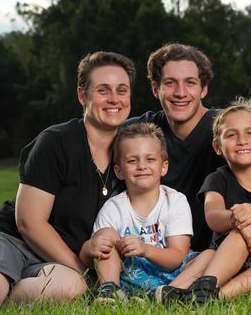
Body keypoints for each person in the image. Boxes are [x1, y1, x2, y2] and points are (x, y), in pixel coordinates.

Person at [0, 52, 135, 304]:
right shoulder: (56, 141)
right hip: (10, 238)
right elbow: (29, 222)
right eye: (103, 90)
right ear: (82, 96)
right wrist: (83, 271)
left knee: (70, 290)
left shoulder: (131, 152)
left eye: (122, 90)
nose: (114, 99)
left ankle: (1, 290)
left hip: (54, 258)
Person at [155, 99, 251, 303]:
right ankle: (188, 290)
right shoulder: (217, 179)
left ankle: (213, 296)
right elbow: (213, 217)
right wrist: (243, 220)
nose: (241, 140)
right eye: (231, 134)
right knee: (231, 240)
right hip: (223, 264)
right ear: (218, 146)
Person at [80, 123, 200, 300]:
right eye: (132, 160)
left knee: (209, 256)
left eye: (150, 159)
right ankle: (111, 291)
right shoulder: (114, 207)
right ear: (119, 171)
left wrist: (145, 249)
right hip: (129, 278)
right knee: (104, 235)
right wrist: (89, 247)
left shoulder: (175, 201)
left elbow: (177, 257)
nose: (141, 166)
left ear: (164, 167)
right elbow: (90, 258)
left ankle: (168, 293)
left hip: (174, 277)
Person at [127, 43, 225, 252]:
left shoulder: (227, 129)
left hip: (213, 252)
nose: (181, 93)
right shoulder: (138, 132)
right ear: (156, 89)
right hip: (155, 253)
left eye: (190, 83)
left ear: (204, 89)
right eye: (170, 83)